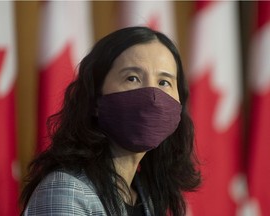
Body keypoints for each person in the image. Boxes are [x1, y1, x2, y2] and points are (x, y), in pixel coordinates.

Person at [20, 26, 201, 216]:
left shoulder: (146, 193)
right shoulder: (64, 191)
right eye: (132, 78)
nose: (153, 96)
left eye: (164, 82)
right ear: (95, 98)